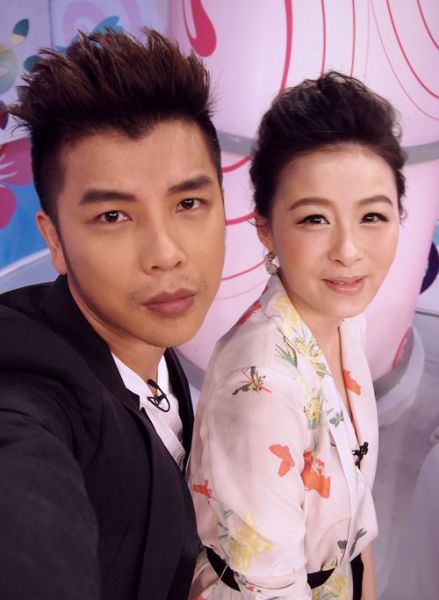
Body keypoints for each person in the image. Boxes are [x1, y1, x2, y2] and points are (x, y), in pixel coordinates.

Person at [0, 29, 225, 600]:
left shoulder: (149, 339)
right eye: (113, 217)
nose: (165, 253)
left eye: (189, 203)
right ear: (54, 239)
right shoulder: (31, 393)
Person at [189, 71, 406, 599]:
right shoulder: (262, 386)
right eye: (314, 219)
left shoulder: (342, 320)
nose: (348, 251)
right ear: (266, 227)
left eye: (372, 216)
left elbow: (353, 503)